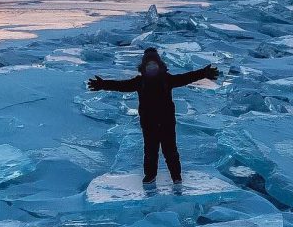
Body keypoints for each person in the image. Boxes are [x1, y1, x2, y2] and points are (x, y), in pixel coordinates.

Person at [87, 47, 219, 184]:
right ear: (144, 67)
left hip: (167, 122)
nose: (152, 68)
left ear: (159, 65)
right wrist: (102, 84)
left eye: (154, 65)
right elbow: (121, 85)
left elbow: (186, 77)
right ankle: (150, 176)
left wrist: (204, 73)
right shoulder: (139, 82)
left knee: (171, 151)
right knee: (150, 151)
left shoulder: (167, 79)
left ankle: (176, 177)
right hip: (149, 123)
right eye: (149, 65)